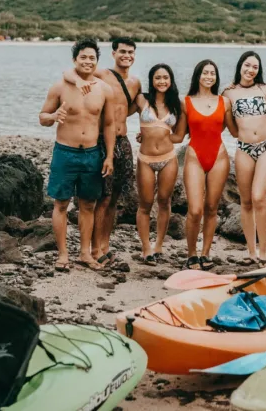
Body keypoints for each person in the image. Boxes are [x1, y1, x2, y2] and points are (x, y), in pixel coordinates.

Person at [61, 37, 140, 267]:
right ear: (113, 53)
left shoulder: (135, 82)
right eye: (122, 51)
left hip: (123, 141)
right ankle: (93, 249)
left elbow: (134, 106)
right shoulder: (102, 74)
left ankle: (104, 245)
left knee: (114, 198)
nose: (127, 55)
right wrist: (76, 81)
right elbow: (70, 72)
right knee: (101, 198)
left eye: (131, 52)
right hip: (102, 141)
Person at [38, 39, 115, 271]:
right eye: (83, 57)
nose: (88, 61)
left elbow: (109, 125)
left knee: (88, 205)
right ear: (75, 60)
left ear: (97, 62)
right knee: (61, 204)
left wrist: (109, 156)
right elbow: (42, 116)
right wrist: (53, 117)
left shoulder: (104, 89)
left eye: (92, 58)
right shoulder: (60, 87)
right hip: (65, 152)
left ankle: (84, 253)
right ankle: (62, 254)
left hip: (92, 154)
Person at [170, 60, 239, 270]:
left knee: (211, 208)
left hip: (219, 157)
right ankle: (191, 254)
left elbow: (236, 132)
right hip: (194, 157)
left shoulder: (224, 102)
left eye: (213, 73)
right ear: (198, 75)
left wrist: (265, 129)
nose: (209, 76)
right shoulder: (186, 102)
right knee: (195, 209)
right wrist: (151, 133)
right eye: (205, 73)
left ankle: (206, 253)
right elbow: (179, 135)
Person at [223, 51, 266, 265]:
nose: (250, 70)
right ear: (240, 66)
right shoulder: (228, 93)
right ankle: (251, 251)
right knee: (246, 201)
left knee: (259, 197)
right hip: (244, 148)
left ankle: (264, 251)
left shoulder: (265, 89)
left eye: (255, 67)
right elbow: (231, 129)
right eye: (247, 65)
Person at [131, 63, 183, 265]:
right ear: (152, 81)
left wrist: (163, 135)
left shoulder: (177, 105)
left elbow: (179, 135)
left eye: (165, 78)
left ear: (171, 81)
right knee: (144, 204)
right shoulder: (141, 100)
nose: (162, 81)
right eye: (158, 78)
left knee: (164, 201)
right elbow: (118, 110)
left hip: (168, 158)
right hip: (145, 160)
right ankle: (146, 248)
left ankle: (159, 245)